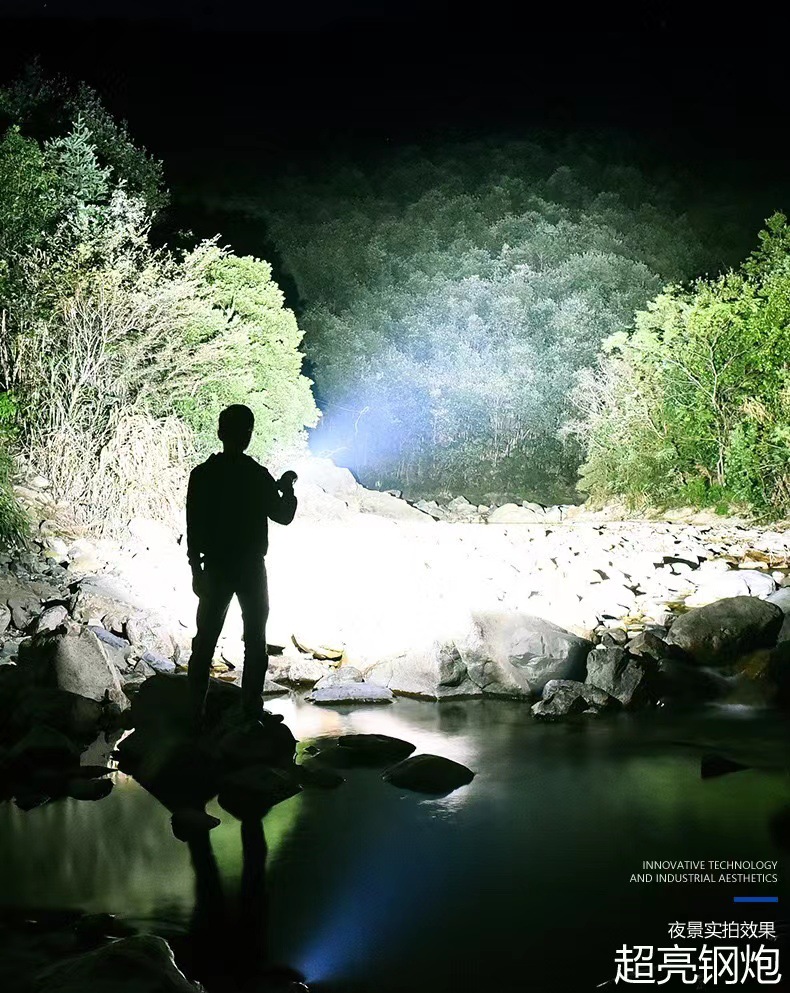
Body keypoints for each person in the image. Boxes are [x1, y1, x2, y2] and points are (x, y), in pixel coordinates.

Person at [186, 404, 297, 728]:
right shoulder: (255, 475)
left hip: (216, 567)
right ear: (248, 436)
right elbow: (283, 515)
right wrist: (287, 487)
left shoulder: (203, 475)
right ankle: (250, 710)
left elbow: (193, 526)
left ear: (220, 433)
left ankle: (195, 713)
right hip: (250, 568)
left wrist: (196, 569)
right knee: (255, 641)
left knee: (204, 641)